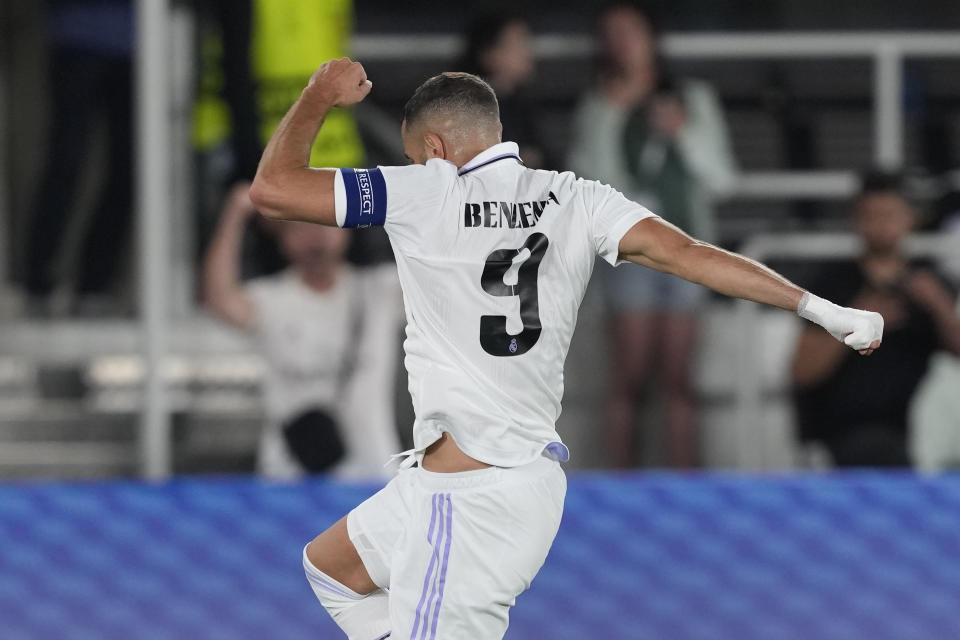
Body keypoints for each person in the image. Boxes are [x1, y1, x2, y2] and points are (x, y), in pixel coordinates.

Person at [249, 58, 882, 640]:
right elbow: (690, 256)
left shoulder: (424, 191)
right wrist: (820, 308)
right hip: (505, 484)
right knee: (331, 569)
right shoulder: (580, 199)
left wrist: (319, 95)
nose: (417, 166)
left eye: (418, 157)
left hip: (470, 500)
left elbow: (274, 189)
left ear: (435, 150)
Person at [568, 1, 737, 468]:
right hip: (628, 253)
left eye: (629, 31)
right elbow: (591, 185)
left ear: (651, 38)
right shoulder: (597, 105)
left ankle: (684, 491)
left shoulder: (694, 98)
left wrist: (683, 132)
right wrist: (612, 115)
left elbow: (723, 178)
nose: (621, 43)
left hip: (689, 251)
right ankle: (621, 491)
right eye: (611, 34)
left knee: (679, 380)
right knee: (628, 379)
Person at [202, 182, 402, 480]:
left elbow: (445, 275)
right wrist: (236, 211)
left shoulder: (379, 290)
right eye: (299, 230)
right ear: (280, 240)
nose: (315, 240)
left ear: (347, 230)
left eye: (325, 226)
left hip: (372, 474)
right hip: (288, 474)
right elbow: (218, 298)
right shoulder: (270, 299)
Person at [791, 171, 960, 467]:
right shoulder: (834, 284)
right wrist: (852, 319)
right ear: (855, 219)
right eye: (871, 215)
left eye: (890, 214)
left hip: (918, 431)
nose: (881, 225)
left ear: (911, 217)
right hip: (845, 433)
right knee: (878, 448)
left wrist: (939, 306)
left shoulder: (930, 284)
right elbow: (802, 372)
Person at [23, 0, 133, 314]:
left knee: (128, 169)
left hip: (138, 47)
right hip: (76, 38)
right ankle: (38, 281)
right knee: (66, 163)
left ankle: (94, 284)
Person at [457, 13, 548, 169]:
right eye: (518, 44)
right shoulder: (466, 111)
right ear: (489, 55)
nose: (528, 53)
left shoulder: (522, 106)